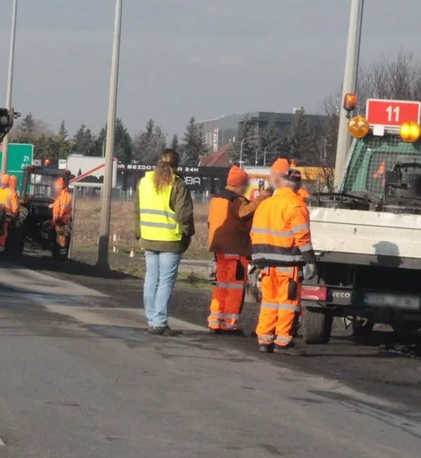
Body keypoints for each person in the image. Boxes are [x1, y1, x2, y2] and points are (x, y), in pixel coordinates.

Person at [250, 158, 316, 352]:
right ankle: (283, 341)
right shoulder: (296, 206)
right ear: (298, 185)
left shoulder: (265, 205)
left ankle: (265, 339)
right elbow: (302, 237)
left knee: (269, 302)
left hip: (266, 264)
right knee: (287, 303)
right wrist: (311, 261)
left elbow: (253, 233)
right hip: (288, 265)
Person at [135, 149, 195, 335]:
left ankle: (152, 318)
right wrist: (187, 235)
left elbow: (137, 211)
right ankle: (159, 322)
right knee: (165, 281)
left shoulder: (144, 182)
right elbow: (184, 215)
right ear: (176, 164)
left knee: (151, 279)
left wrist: (139, 234)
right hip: (170, 239)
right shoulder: (178, 184)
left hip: (149, 237)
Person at [207, 166, 268, 333]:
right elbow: (244, 213)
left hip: (219, 250)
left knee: (221, 286)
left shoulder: (216, 199)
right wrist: (260, 200)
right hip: (235, 250)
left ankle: (215, 321)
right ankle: (229, 324)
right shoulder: (237, 200)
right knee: (234, 288)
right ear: (240, 185)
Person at [50, 176, 73, 252]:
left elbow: (63, 209)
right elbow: (57, 204)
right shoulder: (60, 196)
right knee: (59, 237)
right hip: (58, 220)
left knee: (61, 238)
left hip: (62, 221)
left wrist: (58, 219)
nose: (55, 188)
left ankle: (61, 254)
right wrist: (50, 206)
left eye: (56, 187)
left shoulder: (65, 196)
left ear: (60, 186)